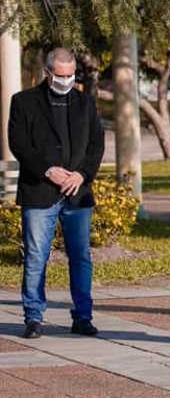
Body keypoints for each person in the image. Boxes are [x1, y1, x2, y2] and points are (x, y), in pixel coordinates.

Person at [8, 48, 104, 339]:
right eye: (60, 75)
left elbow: (96, 145)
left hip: (77, 193)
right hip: (40, 192)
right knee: (36, 256)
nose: (66, 80)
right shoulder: (24, 102)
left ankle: (83, 317)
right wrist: (47, 170)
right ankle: (33, 316)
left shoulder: (86, 102)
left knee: (81, 257)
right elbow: (19, 143)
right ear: (48, 73)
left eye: (70, 75)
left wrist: (81, 174)